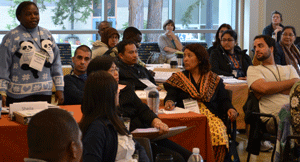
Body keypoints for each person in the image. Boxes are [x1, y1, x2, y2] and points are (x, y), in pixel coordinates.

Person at [86, 55, 192, 161]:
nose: (116, 73)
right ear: (99, 75)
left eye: (116, 69)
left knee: (189, 156)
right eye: (111, 70)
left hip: (146, 135)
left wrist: (156, 122)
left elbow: (142, 109)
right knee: (177, 158)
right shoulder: (99, 124)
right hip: (132, 139)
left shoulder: (126, 88)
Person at [163, 43, 238, 161]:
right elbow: (171, 95)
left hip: (210, 116)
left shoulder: (213, 79)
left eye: (189, 56)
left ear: (199, 59)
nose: (185, 59)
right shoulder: (178, 78)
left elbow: (224, 99)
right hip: (188, 116)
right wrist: (169, 101)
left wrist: (230, 109)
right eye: (184, 56)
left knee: (218, 133)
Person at [0, 1, 64, 107]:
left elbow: (56, 63)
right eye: (28, 14)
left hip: (45, 92)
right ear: (19, 17)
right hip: (18, 95)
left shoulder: (47, 34)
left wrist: (59, 88)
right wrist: (2, 91)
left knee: (42, 123)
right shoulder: (11, 37)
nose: (33, 17)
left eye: (36, 13)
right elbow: (3, 67)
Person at [79, 70, 150, 162]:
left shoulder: (116, 119)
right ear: (108, 95)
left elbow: (137, 146)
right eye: (115, 88)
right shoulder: (96, 129)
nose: (119, 90)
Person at [247, 35, 300, 136]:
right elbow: (264, 88)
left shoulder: (289, 68)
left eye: (260, 46)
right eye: (255, 47)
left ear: (271, 48)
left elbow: (298, 88)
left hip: (295, 110)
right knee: (291, 116)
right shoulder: (253, 70)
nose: (256, 50)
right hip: (273, 117)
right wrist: (291, 83)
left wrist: (270, 89)